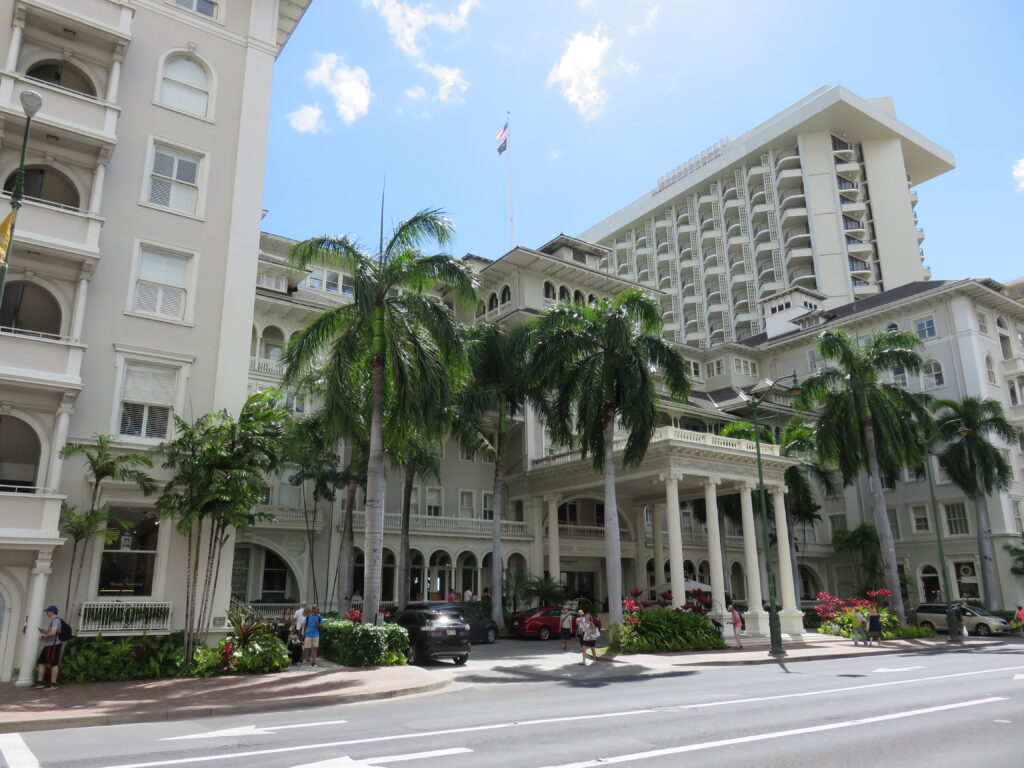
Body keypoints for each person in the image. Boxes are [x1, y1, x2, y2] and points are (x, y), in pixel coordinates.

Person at [32, 606, 64, 690]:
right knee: (41, 662)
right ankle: (40, 682)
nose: (46, 613)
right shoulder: (53, 621)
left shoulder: (56, 620)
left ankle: (53, 684)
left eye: (48, 612)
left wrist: (43, 636)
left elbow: (53, 633)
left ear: (52, 612)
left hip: (53, 645)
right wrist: (45, 631)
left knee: (53, 663)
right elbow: (53, 632)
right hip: (49, 645)